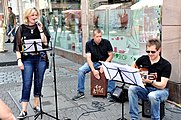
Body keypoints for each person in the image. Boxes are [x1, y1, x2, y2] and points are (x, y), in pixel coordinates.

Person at [13, 7, 49, 119]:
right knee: (27, 83)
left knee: (38, 82)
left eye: (36, 15)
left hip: (40, 58)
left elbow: (45, 43)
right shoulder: (21, 28)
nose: (34, 17)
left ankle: (36, 105)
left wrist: (41, 30)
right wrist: (19, 61)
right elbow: (17, 46)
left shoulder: (40, 27)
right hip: (27, 59)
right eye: (32, 15)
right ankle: (23, 110)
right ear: (27, 16)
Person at [128, 38, 172, 120]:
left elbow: (162, 85)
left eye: (153, 52)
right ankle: (134, 118)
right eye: (148, 51)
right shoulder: (143, 59)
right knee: (131, 89)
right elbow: (133, 65)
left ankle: (155, 118)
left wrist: (151, 81)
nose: (150, 54)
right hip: (145, 88)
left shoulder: (166, 65)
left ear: (159, 50)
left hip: (161, 91)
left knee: (152, 95)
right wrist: (136, 72)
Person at [72, 28, 115, 102]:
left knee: (112, 71)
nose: (99, 38)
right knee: (81, 70)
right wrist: (93, 70)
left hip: (105, 62)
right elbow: (88, 58)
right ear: (93, 37)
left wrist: (104, 65)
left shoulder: (106, 42)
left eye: (100, 36)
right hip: (93, 62)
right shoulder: (88, 44)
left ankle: (110, 92)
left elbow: (111, 55)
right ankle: (80, 92)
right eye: (97, 37)